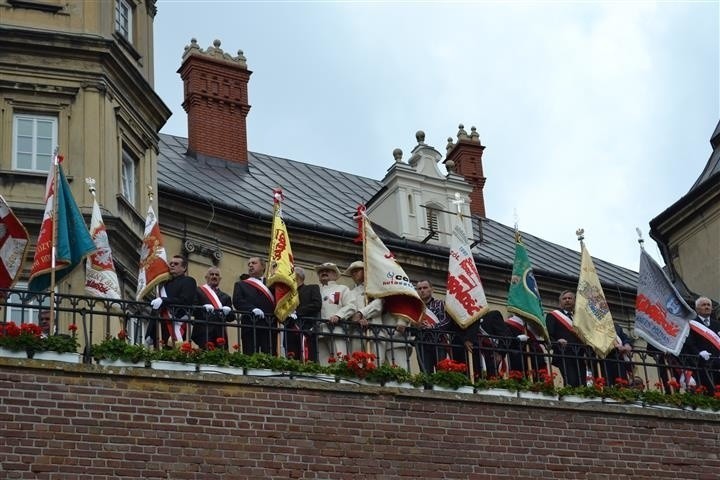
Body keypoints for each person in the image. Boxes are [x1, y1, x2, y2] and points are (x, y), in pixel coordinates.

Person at [349, 261, 412, 369]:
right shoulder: (350, 291)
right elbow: (348, 308)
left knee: (376, 365)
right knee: (357, 365)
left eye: (358, 270)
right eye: (352, 272)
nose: (355, 274)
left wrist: (362, 314)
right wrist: (355, 318)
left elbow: (378, 304)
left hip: (376, 330)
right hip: (356, 331)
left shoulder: (376, 288)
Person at [148, 255, 197, 348]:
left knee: (173, 353)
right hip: (160, 325)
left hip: (176, 323)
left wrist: (164, 300)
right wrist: (149, 332)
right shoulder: (163, 284)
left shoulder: (188, 281)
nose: (172, 265)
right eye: (171, 264)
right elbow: (155, 309)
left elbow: (185, 301)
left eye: (176, 264)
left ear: (184, 268)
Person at [232, 257, 275, 355]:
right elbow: (237, 301)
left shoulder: (271, 284)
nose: (250, 265)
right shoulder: (241, 284)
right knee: (250, 354)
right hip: (250, 325)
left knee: (270, 355)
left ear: (263, 266)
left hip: (269, 325)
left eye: (254, 263)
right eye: (249, 264)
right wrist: (252, 309)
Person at [546, 290, 587, 387]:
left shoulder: (579, 317)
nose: (567, 300)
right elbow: (548, 334)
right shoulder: (553, 315)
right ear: (560, 302)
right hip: (564, 353)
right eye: (564, 299)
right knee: (571, 381)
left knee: (582, 383)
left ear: (574, 301)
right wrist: (557, 341)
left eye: (570, 298)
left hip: (579, 355)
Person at [314, 262, 352, 364]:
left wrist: (338, 315)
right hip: (319, 333)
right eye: (321, 271)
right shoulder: (316, 290)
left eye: (328, 270)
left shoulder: (342, 289)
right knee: (324, 366)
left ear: (335, 275)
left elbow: (351, 306)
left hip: (337, 331)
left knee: (341, 362)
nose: (324, 272)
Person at [681, 296, 720, 392]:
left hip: (717, 363)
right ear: (697, 308)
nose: (707, 307)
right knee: (707, 389)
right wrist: (698, 353)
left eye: (708, 305)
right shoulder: (692, 323)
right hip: (700, 363)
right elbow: (690, 343)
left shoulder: (717, 324)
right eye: (703, 305)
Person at [192, 266, 234, 349]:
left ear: (220, 278)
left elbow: (231, 318)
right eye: (211, 274)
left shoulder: (225, 297)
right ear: (206, 277)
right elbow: (192, 309)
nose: (214, 276)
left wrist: (228, 312)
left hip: (220, 333)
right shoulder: (198, 291)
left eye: (217, 275)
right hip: (204, 330)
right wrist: (202, 308)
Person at [414, 280, 450, 373]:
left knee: (441, 373)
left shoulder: (440, 304)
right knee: (425, 374)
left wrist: (433, 327)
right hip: (422, 344)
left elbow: (446, 321)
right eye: (419, 289)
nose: (422, 290)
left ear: (432, 289)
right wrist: (417, 326)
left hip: (438, 343)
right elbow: (411, 326)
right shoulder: (415, 308)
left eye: (425, 288)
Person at [286, 266, 321, 361]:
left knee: (309, 358)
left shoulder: (312, 288)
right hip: (291, 331)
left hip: (307, 329)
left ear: (297, 276)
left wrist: (297, 312)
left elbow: (316, 305)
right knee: (292, 358)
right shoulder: (288, 294)